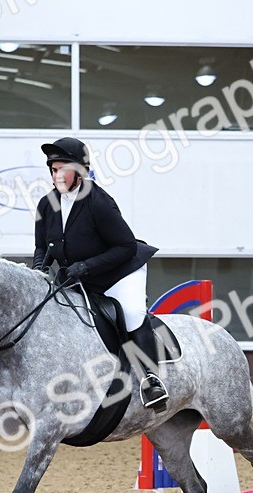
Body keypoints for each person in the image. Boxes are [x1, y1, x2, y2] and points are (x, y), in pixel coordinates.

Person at [33, 136, 168, 409]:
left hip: (119, 273)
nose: (56, 175)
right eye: (53, 169)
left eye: (63, 169)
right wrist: (38, 271)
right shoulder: (47, 205)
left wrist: (86, 266)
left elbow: (127, 246)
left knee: (130, 313)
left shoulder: (98, 202)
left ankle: (151, 379)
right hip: (78, 277)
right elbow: (40, 246)